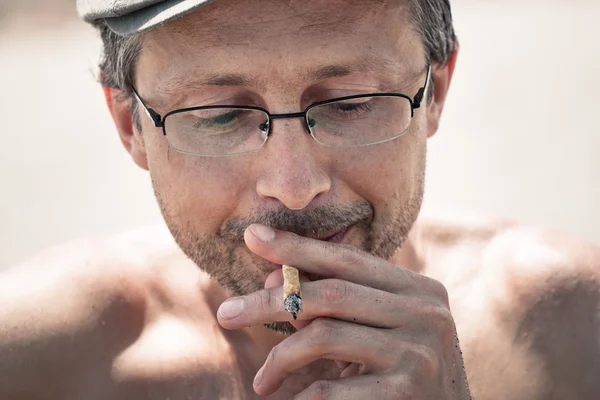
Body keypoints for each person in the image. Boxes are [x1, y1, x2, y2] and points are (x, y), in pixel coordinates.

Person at [1, 0, 599, 398]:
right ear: (130, 124)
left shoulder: (570, 327)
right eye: (219, 115)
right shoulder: (38, 356)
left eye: (350, 103)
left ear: (435, 90)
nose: (292, 185)